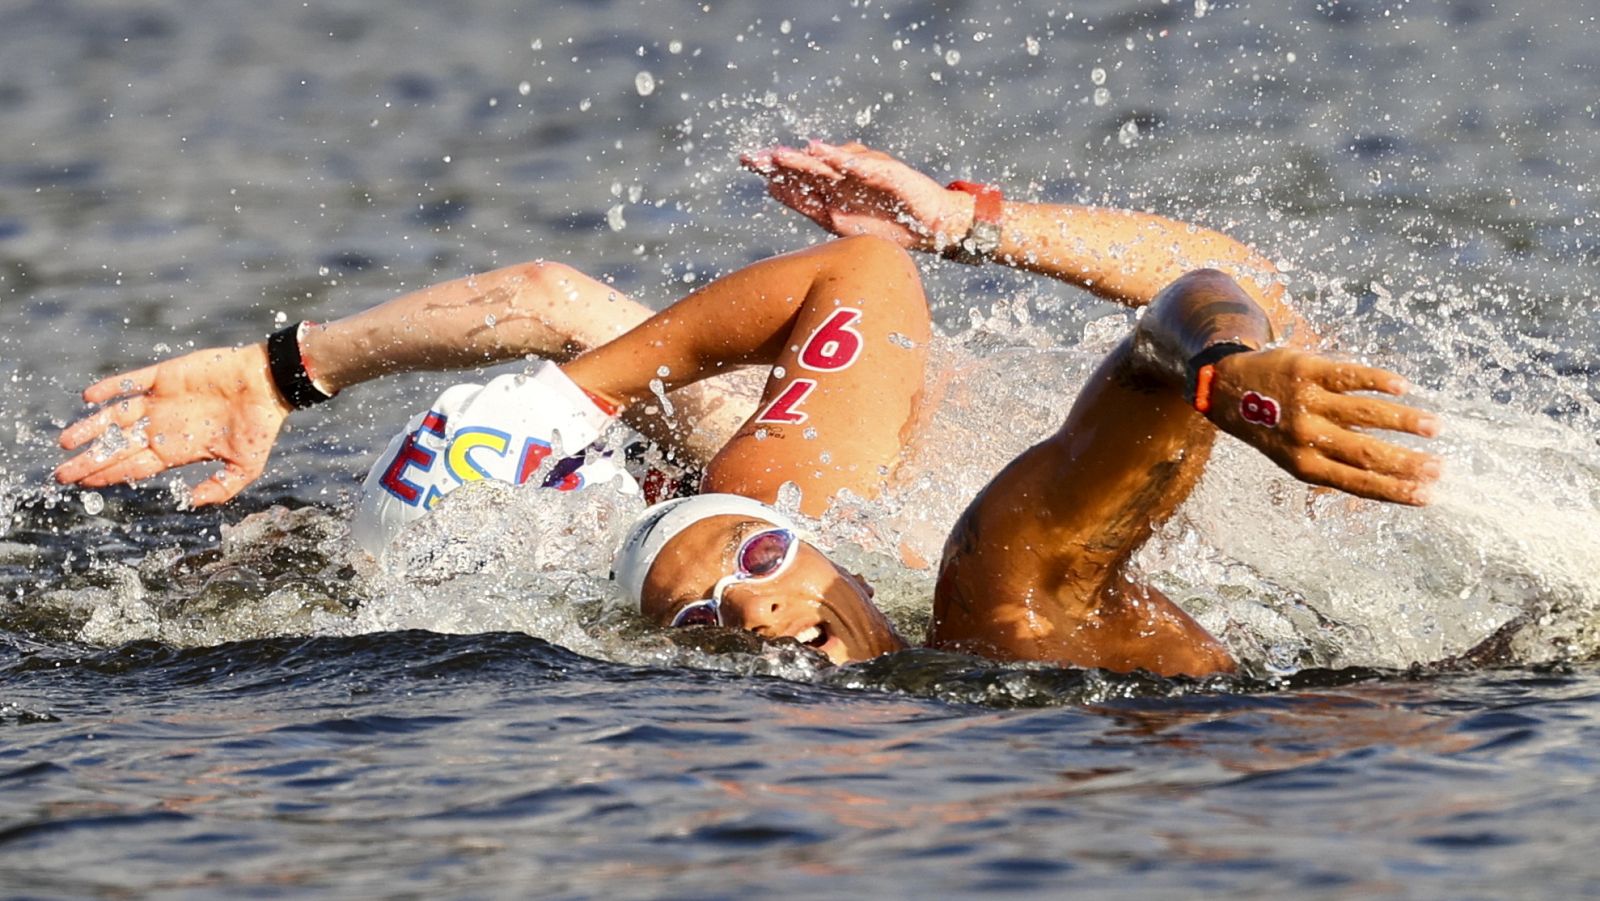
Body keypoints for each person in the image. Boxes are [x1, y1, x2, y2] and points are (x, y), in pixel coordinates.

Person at [54, 142, 1440, 677]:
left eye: (742, 568)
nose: (748, 609)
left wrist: (975, 221)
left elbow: (1231, 299)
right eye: (709, 607)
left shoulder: (822, 478)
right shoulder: (905, 566)